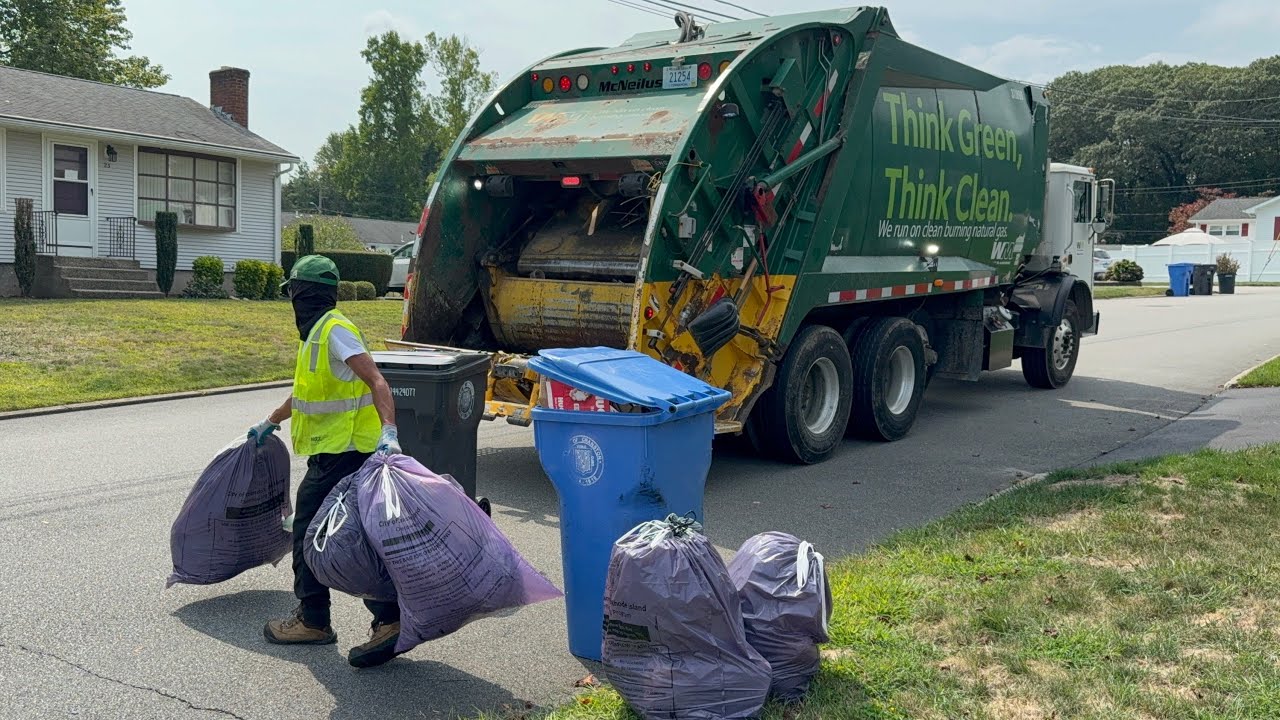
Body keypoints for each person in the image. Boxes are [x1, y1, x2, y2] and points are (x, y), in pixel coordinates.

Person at [247, 255, 403, 669]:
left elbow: (376, 380)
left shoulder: (334, 330)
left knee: (309, 533)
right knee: (356, 535)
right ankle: (388, 620)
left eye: (293, 294)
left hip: (346, 454)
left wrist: (389, 431)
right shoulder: (317, 335)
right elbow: (307, 396)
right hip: (338, 452)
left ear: (302, 294)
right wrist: (271, 421)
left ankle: (314, 621)